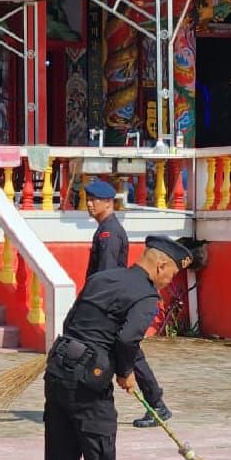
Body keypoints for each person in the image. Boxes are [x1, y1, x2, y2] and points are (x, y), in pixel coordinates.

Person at [33, 235, 194, 460]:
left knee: (59, 458)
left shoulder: (102, 279)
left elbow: (71, 322)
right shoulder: (146, 296)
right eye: (172, 274)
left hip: (58, 372)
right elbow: (127, 337)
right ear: (160, 265)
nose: (169, 281)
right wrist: (124, 371)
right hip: (91, 385)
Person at [83, 178, 171, 428]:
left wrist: (98, 304)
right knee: (128, 354)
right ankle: (156, 404)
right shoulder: (105, 229)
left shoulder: (109, 233)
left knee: (129, 354)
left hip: (110, 304)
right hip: (110, 302)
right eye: (88, 199)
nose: (89, 204)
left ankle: (156, 404)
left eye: (94, 200)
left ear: (109, 202)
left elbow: (107, 274)